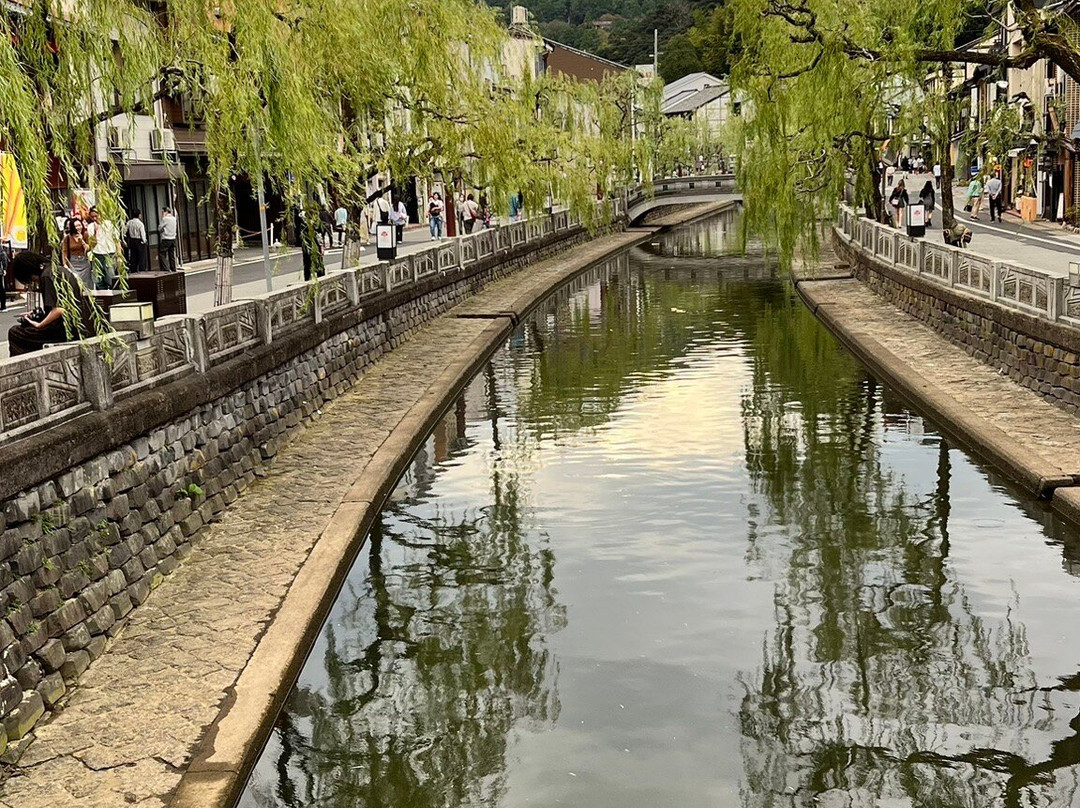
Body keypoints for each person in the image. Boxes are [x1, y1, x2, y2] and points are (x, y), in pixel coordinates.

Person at [7, 251, 71, 355]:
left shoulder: (46, 276)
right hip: (68, 325)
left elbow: (59, 310)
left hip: (62, 331)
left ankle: (23, 365)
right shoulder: (57, 269)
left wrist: (39, 325)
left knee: (15, 332)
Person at [86, 207, 119, 289]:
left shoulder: (109, 224)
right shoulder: (90, 227)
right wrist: (95, 232)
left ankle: (113, 293)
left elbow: (117, 240)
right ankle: (103, 294)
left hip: (109, 254)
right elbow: (92, 244)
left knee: (110, 277)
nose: (95, 218)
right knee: (98, 279)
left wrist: (119, 255)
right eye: (92, 217)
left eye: (96, 216)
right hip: (97, 254)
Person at [61, 217, 93, 288]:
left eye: (80, 225)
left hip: (84, 262)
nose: (79, 227)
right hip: (73, 263)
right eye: (76, 226)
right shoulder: (68, 238)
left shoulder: (85, 234)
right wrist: (65, 264)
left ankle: (87, 298)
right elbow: (64, 251)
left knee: (86, 283)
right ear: (72, 227)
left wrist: (82, 241)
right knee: (76, 283)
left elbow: (88, 248)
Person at [159, 207, 178, 272]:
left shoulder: (165, 219)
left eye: (162, 212)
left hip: (166, 238)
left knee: (162, 254)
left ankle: (166, 269)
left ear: (166, 212)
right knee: (171, 254)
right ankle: (173, 268)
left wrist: (163, 217)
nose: (162, 213)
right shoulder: (174, 218)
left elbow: (159, 228)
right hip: (173, 238)